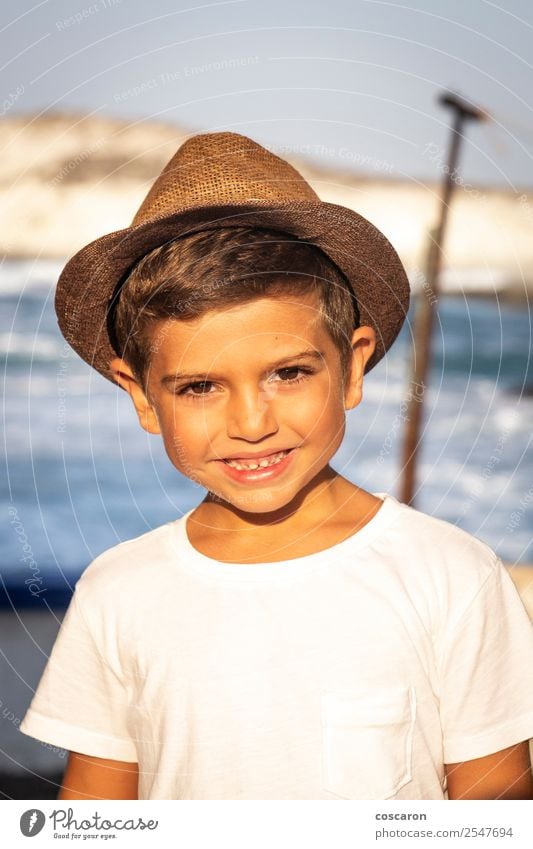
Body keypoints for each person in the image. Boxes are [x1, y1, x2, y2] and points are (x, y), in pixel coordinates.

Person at [20, 132, 533, 801]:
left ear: (351, 366)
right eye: (199, 387)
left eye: (287, 373)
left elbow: (494, 805)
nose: (252, 423)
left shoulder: (452, 575)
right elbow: (93, 813)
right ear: (142, 395)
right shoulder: (117, 591)